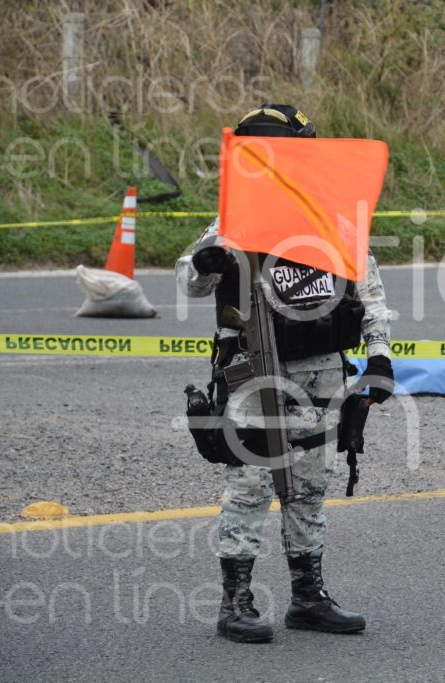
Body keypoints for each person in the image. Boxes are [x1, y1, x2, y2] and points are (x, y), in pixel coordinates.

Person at [175, 104, 394, 643]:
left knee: (309, 487)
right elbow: (189, 281)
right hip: (254, 371)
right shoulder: (232, 222)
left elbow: (367, 289)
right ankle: (236, 603)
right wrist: (207, 262)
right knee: (250, 485)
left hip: (322, 371)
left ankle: (307, 598)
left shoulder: (329, 215)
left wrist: (380, 356)